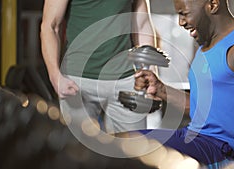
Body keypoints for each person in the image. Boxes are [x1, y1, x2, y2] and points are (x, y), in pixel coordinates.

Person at [133, 0, 234, 168]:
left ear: (213, 4)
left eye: (184, 13)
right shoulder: (206, 46)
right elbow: (204, 110)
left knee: (128, 154)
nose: (180, 22)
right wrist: (161, 90)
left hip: (224, 151)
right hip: (194, 138)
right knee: (117, 142)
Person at [40, 0, 162, 134]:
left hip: (126, 79)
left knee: (135, 149)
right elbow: (50, 26)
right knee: (76, 150)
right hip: (77, 81)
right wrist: (55, 76)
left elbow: (142, 23)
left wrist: (150, 70)